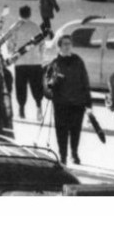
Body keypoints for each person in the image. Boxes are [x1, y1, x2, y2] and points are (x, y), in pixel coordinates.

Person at [43, 34, 91, 165]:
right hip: (61, 103)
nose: (67, 46)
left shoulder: (78, 61)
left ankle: (74, 153)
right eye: (64, 44)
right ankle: (63, 154)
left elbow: (85, 81)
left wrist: (88, 103)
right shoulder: (55, 63)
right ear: (59, 46)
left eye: (69, 44)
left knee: (75, 130)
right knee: (61, 130)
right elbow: (47, 82)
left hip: (77, 102)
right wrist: (52, 83)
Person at [0, 6, 46, 119]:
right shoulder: (35, 27)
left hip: (20, 63)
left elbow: (10, 44)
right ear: (29, 14)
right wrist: (40, 57)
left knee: (21, 87)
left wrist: (12, 53)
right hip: (35, 63)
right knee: (36, 86)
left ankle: (21, 109)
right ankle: (39, 107)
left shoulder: (14, 27)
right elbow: (42, 44)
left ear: (19, 14)